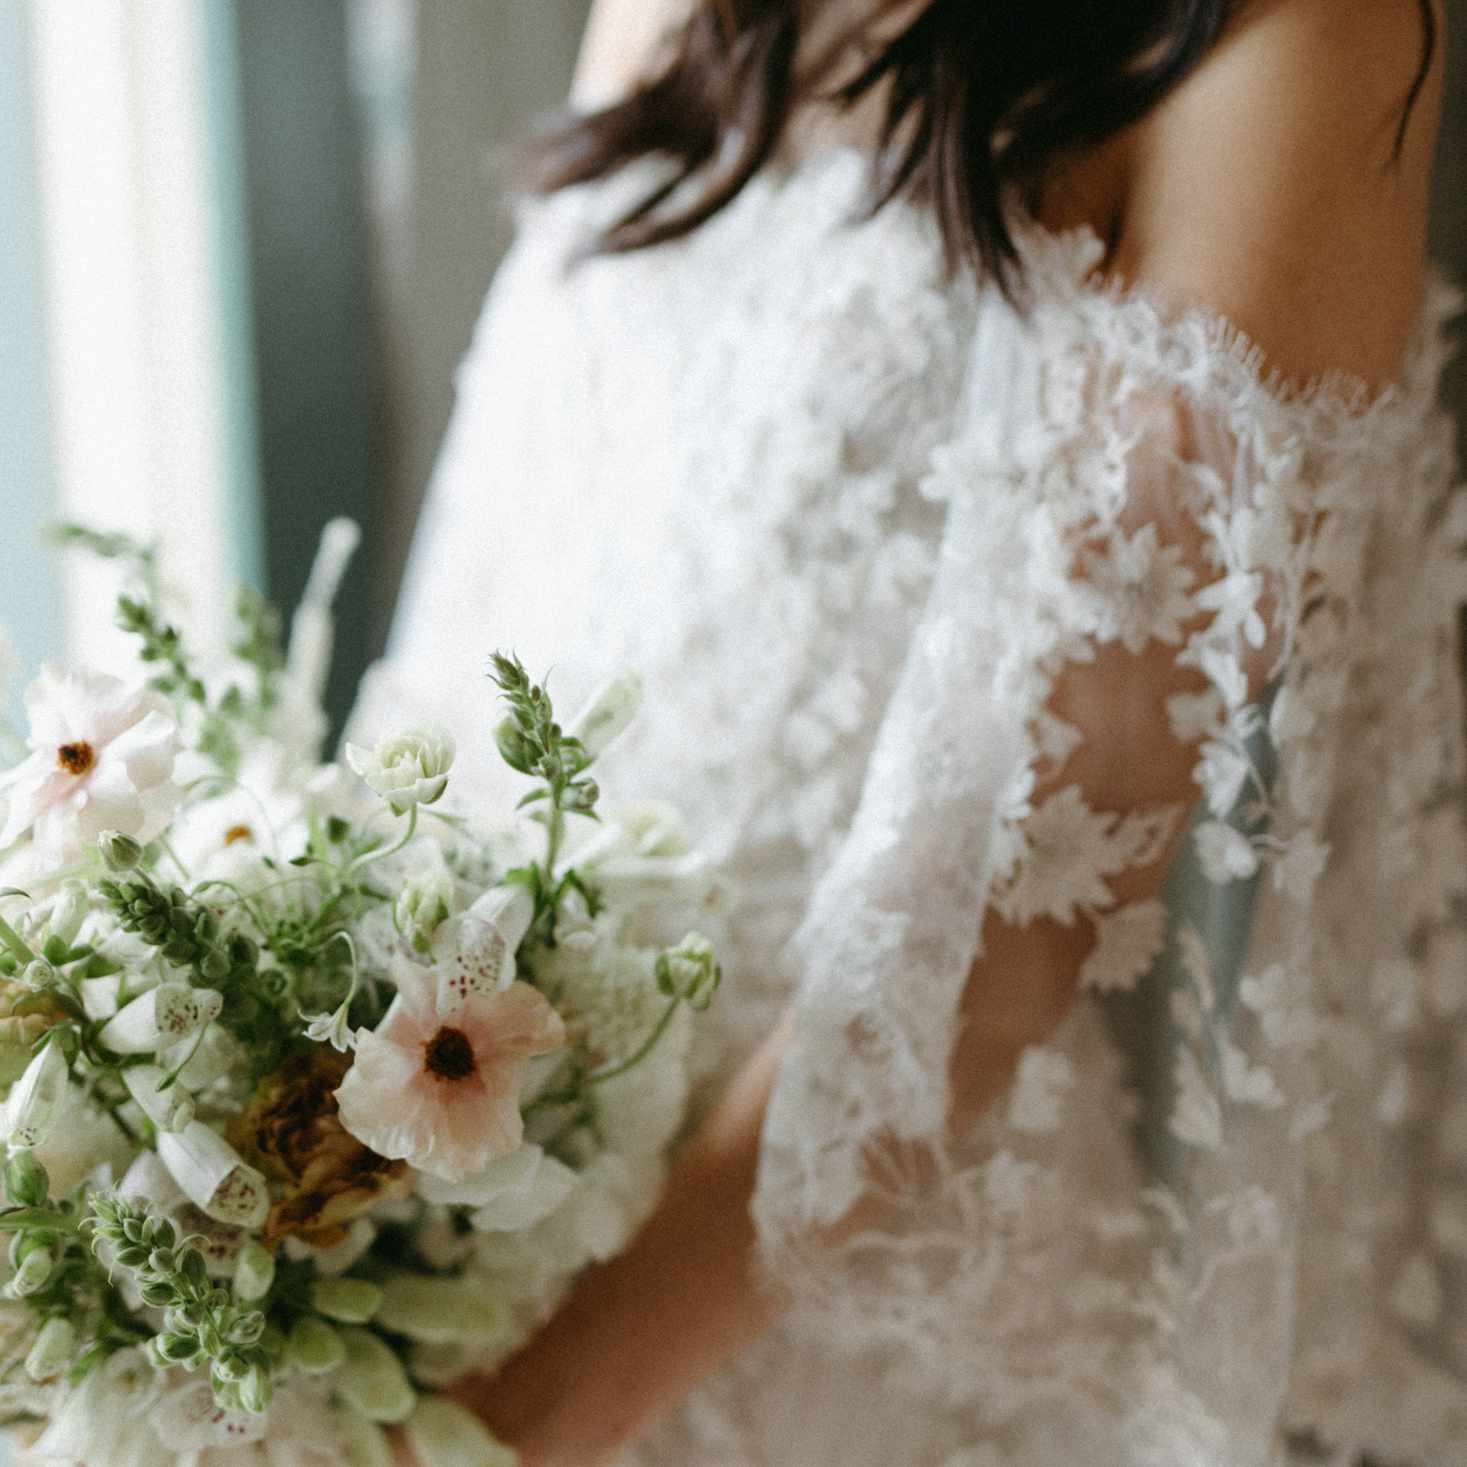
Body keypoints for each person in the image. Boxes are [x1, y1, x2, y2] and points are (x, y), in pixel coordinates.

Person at [363, 1, 1467, 1462]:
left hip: (838, 1278)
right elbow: (485, 608)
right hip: (455, 1164)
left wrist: (536, 1405)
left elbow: (1042, 884)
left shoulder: (1294, 35)